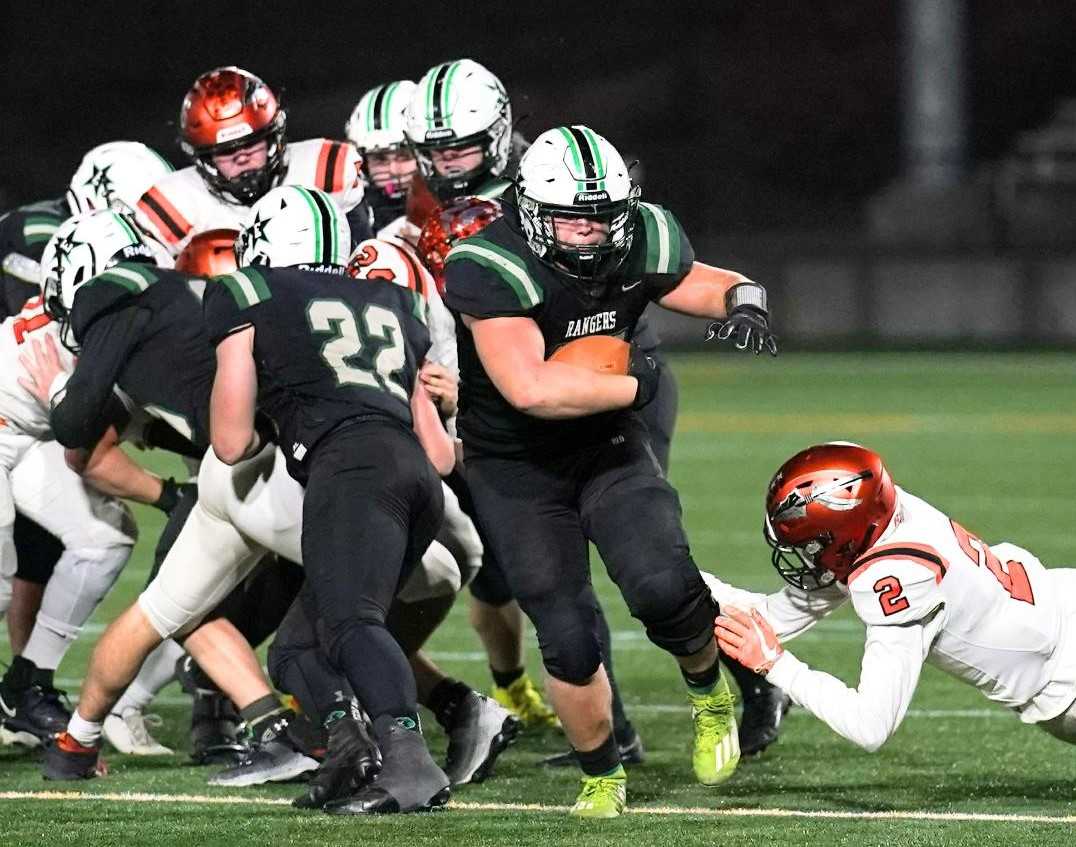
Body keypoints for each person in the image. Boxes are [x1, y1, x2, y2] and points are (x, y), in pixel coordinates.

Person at [442, 124, 778, 818]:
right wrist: (639, 384)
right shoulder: (489, 262)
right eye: (571, 218)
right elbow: (531, 388)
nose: (589, 233)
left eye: (601, 218)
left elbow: (694, 279)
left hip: (606, 442)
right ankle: (602, 770)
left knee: (659, 578)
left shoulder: (644, 234)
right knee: (564, 630)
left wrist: (745, 297)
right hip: (515, 465)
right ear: (532, 209)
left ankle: (710, 690)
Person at [201, 185, 452, 814]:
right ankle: (349, 751)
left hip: (352, 469)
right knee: (295, 651)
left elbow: (230, 443)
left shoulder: (246, 290)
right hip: (417, 478)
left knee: (349, 625)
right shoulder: (395, 297)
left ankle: (410, 763)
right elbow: (444, 454)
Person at [714, 442, 1076, 753]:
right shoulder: (880, 509)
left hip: (1066, 680)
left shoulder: (896, 577)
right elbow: (764, 619)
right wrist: (678, 576)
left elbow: (869, 726)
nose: (806, 557)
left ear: (844, 537)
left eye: (811, 545)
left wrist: (778, 666)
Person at [135, 66, 369, 256]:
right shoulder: (176, 202)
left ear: (272, 137)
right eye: (226, 152)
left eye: (251, 144)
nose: (242, 158)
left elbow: (359, 262)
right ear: (205, 158)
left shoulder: (325, 168)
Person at [346, 80, 419, 231]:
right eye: (380, 158)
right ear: (364, 163)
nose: (393, 169)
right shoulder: (351, 217)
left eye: (404, 156)